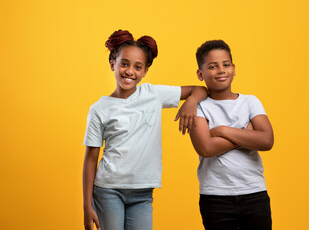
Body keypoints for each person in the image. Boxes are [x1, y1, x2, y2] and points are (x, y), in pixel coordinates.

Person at [82, 30, 207, 230]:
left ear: (145, 71)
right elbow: (90, 159)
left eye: (137, 67)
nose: (130, 71)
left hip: (142, 191)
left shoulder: (153, 94)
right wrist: (87, 205)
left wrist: (191, 103)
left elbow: (200, 89)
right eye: (124, 63)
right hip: (108, 190)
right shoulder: (99, 109)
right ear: (113, 63)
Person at [189, 40, 274, 230]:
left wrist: (221, 131)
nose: (221, 70)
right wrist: (247, 134)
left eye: (226, 64)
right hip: (215, 196)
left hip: (254, 193)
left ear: (234, 69)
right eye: (213, 66)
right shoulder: (199, 107)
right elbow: (206, 148)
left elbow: (267, 140)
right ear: (200, 74)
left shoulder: (250, 102)